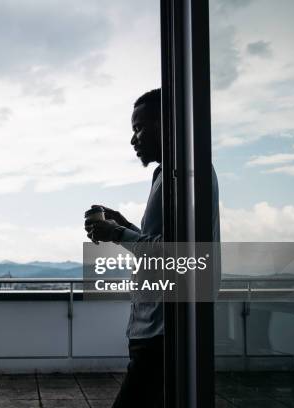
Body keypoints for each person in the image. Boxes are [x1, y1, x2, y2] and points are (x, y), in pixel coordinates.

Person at [85, 88, 220, 408]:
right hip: (156, 328)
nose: (134, 140)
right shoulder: (170, 174)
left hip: (163, 331)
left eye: (139, 128)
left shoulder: (186, 175)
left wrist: (117, 233)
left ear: (169, 123)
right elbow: (163, 247)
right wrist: (128, 229)